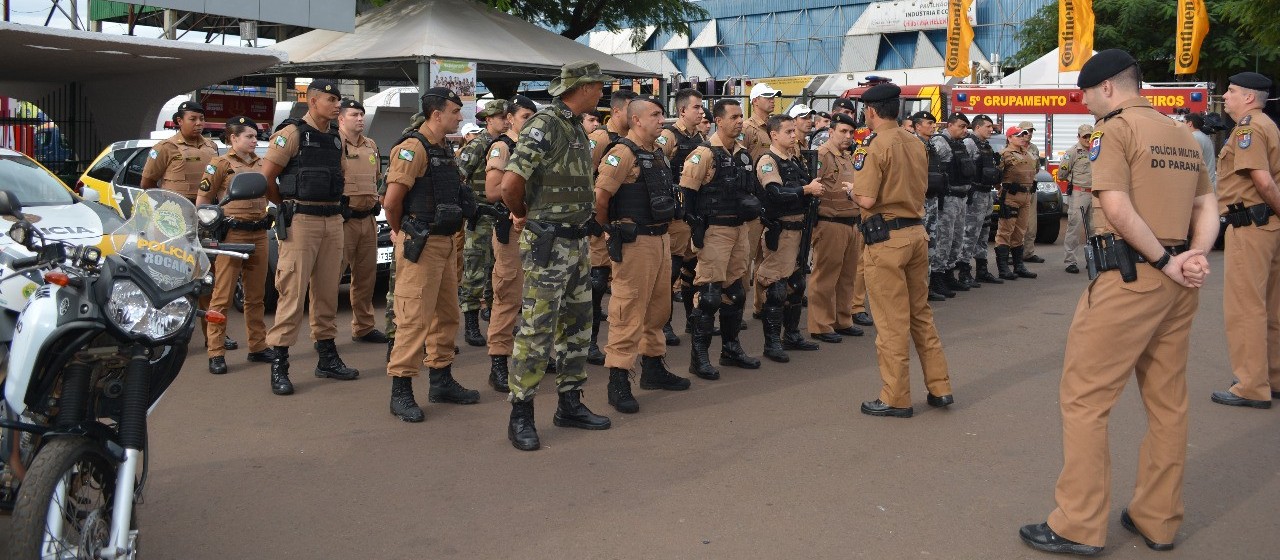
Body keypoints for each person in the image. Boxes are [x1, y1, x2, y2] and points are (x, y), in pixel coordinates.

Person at [1019, 49, 1217, 556]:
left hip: (1132, 276)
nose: (1083, 104)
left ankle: (1078, 525)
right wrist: (1191, 256)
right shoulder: (1181, 133)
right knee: (1168, 403)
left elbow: (1115, 204)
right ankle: (1158, 519)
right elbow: (1206, 204)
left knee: (1085, 398)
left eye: (1085, 94)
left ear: (1107, 87)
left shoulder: (1115, 129)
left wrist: (1164, 260)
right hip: (1177, 285)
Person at [500, 61, 615, 451]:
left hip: (576, 242)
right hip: (549, 242)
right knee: (537, 329)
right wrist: (521, 215)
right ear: (583, 87)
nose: (603, 92)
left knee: (578, 325)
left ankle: (569, 404)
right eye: (599, 86)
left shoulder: (573, 126)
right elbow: (510, 183)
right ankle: (521, 415)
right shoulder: (546, 125)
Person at [848, 83, 952, 419]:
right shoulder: (914, 141)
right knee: (921, 315)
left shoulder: (874, 147)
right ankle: (940, 387)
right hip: (915, 233)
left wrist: (851, 191)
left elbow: (865, 199)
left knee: (891, 324)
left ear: (872, 112)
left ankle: (896, 397)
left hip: (886, 241)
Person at [380, 88, 482, 423]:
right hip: (420, 243)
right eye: (455, 111)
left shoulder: (443, 148)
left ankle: (441, 381)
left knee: (446, 315)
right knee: (413, 319)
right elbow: (392, 202)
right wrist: (401, 232)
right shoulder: (413, 147)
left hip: (445, 241)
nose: (460, 116)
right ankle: (401, 390)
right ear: (436, 113)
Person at [594, 95, 692, 413]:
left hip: (660, 240)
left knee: (658, 311)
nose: (660, 119)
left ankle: (653, 368)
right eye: (654, 114)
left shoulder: (657, 152)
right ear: (636, 120)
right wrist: (608, 231)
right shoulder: (621, 153)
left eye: (662, 114)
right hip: (634, 243)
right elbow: (601, 197)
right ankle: (618, 380)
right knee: (627, 312)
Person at [261, 79, 358, 396]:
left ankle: (327, 358)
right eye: (331, 99)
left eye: (338, 100)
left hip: (332, 219)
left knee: (328, 291)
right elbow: (267, 178)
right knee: (292, 293)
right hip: (301, 220)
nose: (337, 105)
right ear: (313, 101)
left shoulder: (334, 138)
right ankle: (280, 363)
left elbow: (340, 175)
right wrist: (286, 206)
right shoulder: (291, 134)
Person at [1210, 71, 1280, 409]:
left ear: (1249, 98)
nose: (1225, 96)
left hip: (1250, 226)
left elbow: (1263, 181)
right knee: (1270, 306)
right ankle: (1272, 377)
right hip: (1268, 225)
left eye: (1232, 91)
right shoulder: (1267, 124)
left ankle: (1251, 386)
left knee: (1245, 307)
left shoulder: (1249, 128)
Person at [142, 100, 236, 351]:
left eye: (201, 119)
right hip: (173, 221)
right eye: (192, 119)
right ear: (179, 121)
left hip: (204, 220)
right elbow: (148, 183)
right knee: (171, 275)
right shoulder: (165, 148)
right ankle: (165, 332)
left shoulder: (211, 147)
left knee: (206, 277)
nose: (198, 123)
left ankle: (214, 334)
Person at [681, 98, 763, 380]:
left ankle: (730, 349)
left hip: (739, 230)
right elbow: (687, 196)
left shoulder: (742, 153)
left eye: (742, 116)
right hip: (714, 231)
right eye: (734, 117)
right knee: (709, 296)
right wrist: (696, 229)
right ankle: (699, 357)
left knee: (736, 293)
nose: (740, 121)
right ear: (718, 120)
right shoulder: (703, 154)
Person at [197, 116, 273, 375]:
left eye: (255, 136)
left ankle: (258, 346)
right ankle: (216, 351)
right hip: (232, 235)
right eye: (249, 136)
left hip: (259, 232)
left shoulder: (263, 163)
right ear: (233, 138)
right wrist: (209, 229)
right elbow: (203, 201)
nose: (254, 140)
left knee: (255, 296)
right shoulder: (220, 164)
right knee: (222, 295)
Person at [754, 114, 823, 362]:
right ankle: (771, 343)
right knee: (776, 288)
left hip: (800, 229)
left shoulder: (795, 160)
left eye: (795, 131)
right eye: (789, 132)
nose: (794, 136)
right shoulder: (768, 160)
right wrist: (806, 189)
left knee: (797, 284)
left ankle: (791, 335)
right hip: (781, 231)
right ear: (774, 135)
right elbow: (774, 192)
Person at [483, 95, 538, 393]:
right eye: (524, 115)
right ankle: (499, 362)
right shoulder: (503, 147)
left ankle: (530, 355)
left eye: (533, 116)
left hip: (537, 230)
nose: (529, 121)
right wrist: (519, 205)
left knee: (537, 296)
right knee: (507, 296)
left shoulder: (535, 146)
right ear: (510, 119)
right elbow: (493, 190)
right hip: (512, 229)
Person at [585, 90, 638, 365]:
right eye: (630, 107)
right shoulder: (599, 139)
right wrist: (595, 221)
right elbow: (586, 179)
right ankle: (590, 342)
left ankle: (620, 342)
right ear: (616, 111)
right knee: (596, 281)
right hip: (600, 221)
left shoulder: (632, 142)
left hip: (624, 222)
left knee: (621, 285)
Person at [457, 99, 510, 347]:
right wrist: (469, 208)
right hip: (480, 216)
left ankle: (492, 312)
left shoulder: (508, 144)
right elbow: (458, 176)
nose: (506, 120)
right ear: (489, 120)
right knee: (475, 269)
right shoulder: (478, 144)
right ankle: (470, 321)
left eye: (507, 116)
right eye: (501, 117)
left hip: (500, 215)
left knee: (497, 270)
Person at [335, 99, 388, 345]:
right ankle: (323, 333)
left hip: (368, 218)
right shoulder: (334, 144)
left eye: (362, 114)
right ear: (341, 118)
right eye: (354, 114)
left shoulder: (371, 145)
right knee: (330, 278)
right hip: (343, 220)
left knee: (366, 276)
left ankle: (364, 327)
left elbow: (376, 178)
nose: (360, 118)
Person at [808, 113, 865, 341]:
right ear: (830, 132)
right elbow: (813, 189)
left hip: (851, 223)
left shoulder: (848, 156)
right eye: (843, 131)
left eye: (851, 132)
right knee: (825, 277)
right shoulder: (822, 156)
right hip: (830, 224)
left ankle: (843, 320)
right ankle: (820, 325)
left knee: (847, 276)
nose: (848, 136)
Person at [658, 88, 706, 343]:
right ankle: (663, 324)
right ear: (682, 110)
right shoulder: (669, 136)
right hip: (676, 214)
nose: (701, 111)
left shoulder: (699, 136)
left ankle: (691, 319)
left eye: (701, 107)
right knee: (672, 270)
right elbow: (657, 167)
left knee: (692, 269)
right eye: (697, 107)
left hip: (694, 212)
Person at [930, 113, 979, 294]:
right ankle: (937, 278)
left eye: (966, 127)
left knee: (956, 239)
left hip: (961, 197)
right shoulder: (940, 142)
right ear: (950, 125)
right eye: (961, 126)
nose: (965, 130)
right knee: (944, 239)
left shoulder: (960, 143)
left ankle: (949, 273)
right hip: (948, 198)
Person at [911, 111, 950, 301]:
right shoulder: (912, 145)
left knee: (931, 245)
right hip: (919, 201)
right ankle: (917, 290)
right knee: (919, 246)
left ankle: (926, 287)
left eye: (933, 123)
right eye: (928, 123)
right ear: (917, 126)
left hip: (933, 199)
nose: (932, 126)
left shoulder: (932, 145)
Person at [995, 126, 1040, 281]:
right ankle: (1003, 268)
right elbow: (995, 175)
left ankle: (1019, 266)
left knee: (1020, 231)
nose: (1023, 137)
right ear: (1010, 138)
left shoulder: (1028, 154)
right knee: (1005, 231)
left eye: (1024, 135)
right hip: (1011, 197)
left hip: (1026, 196)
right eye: (1019, 135)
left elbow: (1035, 171)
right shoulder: (1004, 154)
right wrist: (1002, 188)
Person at [964, 115, 1004, 284]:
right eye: (987, 126)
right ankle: (964, 272)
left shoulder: (985, 145)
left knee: (984, 232)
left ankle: (982, 269)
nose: (991, 129)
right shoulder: (969, 144)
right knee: (970, 233)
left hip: (986, 194)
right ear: (977, 127)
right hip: (975, 195)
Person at [1058, 123, 1096, 275]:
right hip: (1079, 194)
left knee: (1094, 229)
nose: (1087, 139)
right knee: (1074, 227)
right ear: (1079, 137)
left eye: (1090, 136)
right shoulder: (1072, 152)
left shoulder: (1097, 150)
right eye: (1084, 136)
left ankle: (1093, 260)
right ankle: (1071, 261)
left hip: (1095, 194)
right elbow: (1062, 173)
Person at [1016, 120, 1047, 263]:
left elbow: (1037, 168)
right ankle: (1014, 254)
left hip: (1031, 188)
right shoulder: (1013, 146)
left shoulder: (1034, 148)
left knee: (1031, 224)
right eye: (1027, 131)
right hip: (1017, 190)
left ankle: (1028, 253)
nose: (1029, 134)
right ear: (1020, 131)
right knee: (1015, 224)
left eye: (1031, 131)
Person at [1186, 113, 1217, 192]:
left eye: (1184, 122)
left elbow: (1192, 163)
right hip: (1208, 184)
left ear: (1190, 123)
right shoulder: (1203, 137)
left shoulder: (1194, 137)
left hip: (1202, 186)